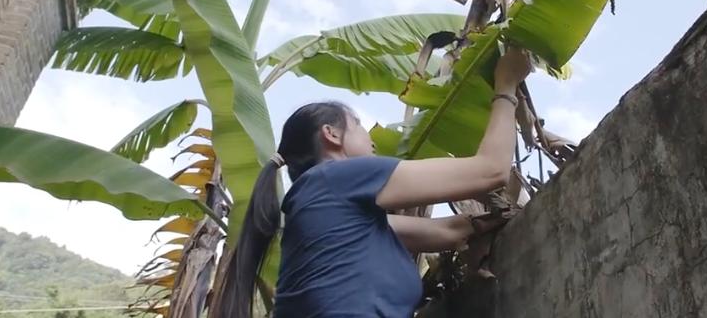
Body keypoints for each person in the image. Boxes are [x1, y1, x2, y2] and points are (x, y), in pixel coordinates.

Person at [209, 45, 534, 318]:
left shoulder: (328, 211)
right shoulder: (336, 177)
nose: (371, 138)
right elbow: (490, 171)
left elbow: (448, 232)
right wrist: (505, 87)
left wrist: (492, 218)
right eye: (358, 125)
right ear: (332, 135)